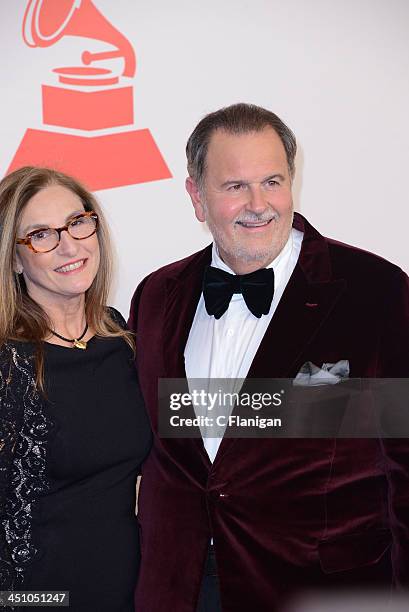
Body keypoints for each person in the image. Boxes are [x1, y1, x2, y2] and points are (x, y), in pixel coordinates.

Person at [129, 103, 409, 612]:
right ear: (196, 196)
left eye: (273, 181)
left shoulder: (376, 292)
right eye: (235, 186)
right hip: (182, 588)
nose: (259, 204)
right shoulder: (156, 296)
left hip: (318, 590)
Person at [0, 167, 151, 611]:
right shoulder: (8, 366)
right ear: (13, 257)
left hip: (133, 597)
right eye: (41, 235)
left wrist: (328, 403)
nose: (69, 244)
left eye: (77, 222)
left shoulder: (121, 338)